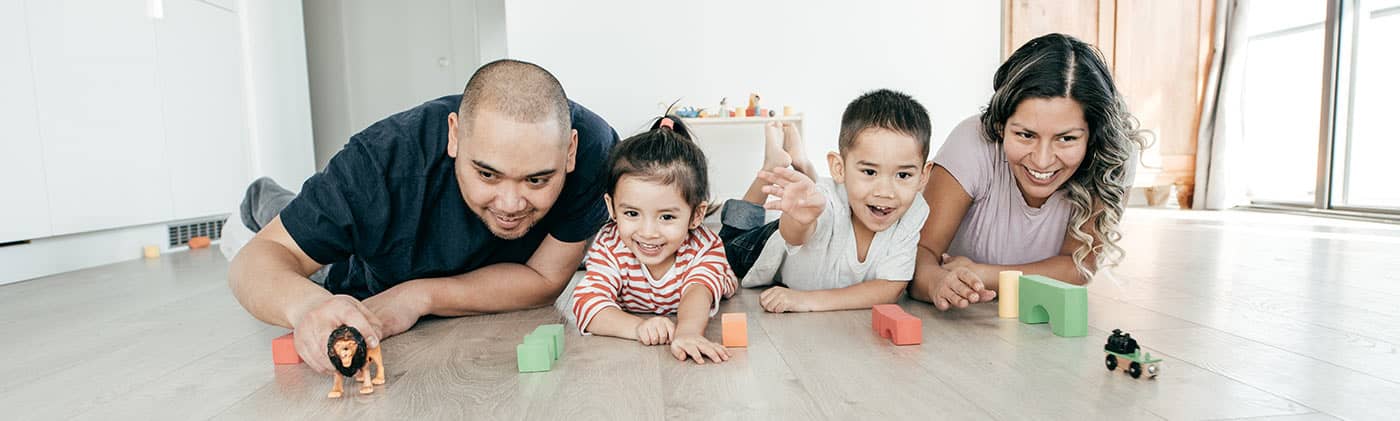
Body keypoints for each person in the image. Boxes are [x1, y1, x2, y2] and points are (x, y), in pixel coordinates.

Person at [224, 59, 618, 375]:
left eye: (536, 180)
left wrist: (416, 296)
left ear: (570, 151)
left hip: (416, 281)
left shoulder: (594, 150)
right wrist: (310, 306)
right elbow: (258, 259)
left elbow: (545, 279)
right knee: (289, 225)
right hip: (364, 273)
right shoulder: (379, 163)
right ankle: (260, 195)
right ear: (454, 135)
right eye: (487, 174)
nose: (511, 203)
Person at [910, 33, 1145, 311]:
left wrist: (982, 274)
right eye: (1025, 135)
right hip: (961, 317)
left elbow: (1078, 268)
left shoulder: (1113, 156)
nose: (1042, 161)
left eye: (1066, 138)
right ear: (1000, 125)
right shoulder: (972, 141)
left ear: (1093, 136)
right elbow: (920, 253)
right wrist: (937, 282)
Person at [721, 89, 932, 313]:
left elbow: (890, 288)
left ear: (923, 176)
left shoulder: (913, 211)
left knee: (811, 200)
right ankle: (771, 165)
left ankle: (802, 165)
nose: (885, 192)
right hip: (774, 240)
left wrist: (807, 300)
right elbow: (794, 235)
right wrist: (799, 220)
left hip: (813, 212)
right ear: (839, 168)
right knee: (725, 249)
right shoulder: (827, 203)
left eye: (903, 175)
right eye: (870, 172)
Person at [569, 116, 738, 364]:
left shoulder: (704, 247)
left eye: (666, 217)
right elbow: (587, 304)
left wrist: (688, 332)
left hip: (725, 265)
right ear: (611, 207)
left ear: (696, 215)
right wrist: (638, 327)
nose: (648, 232)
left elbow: (698, 292)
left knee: (738, 241)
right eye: (632, 213)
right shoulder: (609, 246)